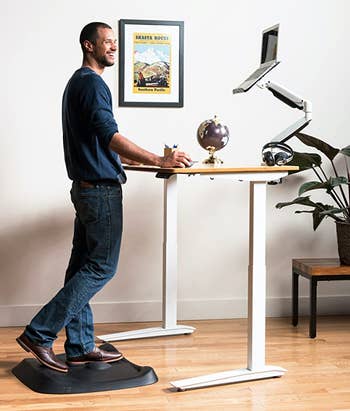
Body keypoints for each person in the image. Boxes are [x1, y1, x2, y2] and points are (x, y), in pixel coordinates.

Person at [16, 22, 192, 373]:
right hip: (99, 192)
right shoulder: (92, 84)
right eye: (106, 42)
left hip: (85, 188)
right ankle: (39, 333)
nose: (113, 47)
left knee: (82, 267)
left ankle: (80, 346)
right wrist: (159, 160)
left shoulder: (76, 83)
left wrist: (128, 159)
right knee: (101, 267)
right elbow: (109, 135)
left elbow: (94, 140)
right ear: (88, 46)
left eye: (115, 42)